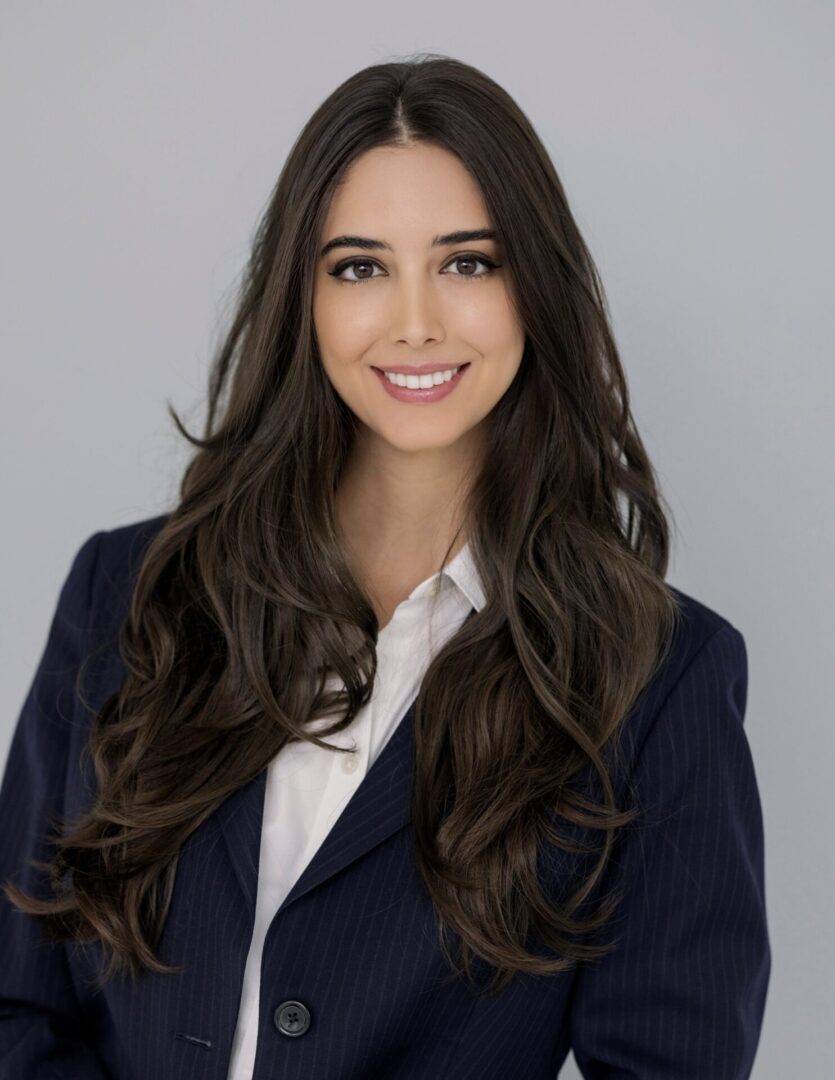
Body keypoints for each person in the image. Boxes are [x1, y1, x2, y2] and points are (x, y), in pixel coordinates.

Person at [0, 54, 770, 1079]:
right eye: (359, 266)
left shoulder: (660, 676)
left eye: (468, 263)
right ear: (303, 296)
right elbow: (16, 1005)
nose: (415, 320)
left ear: (533, 287)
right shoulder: (129, 594)